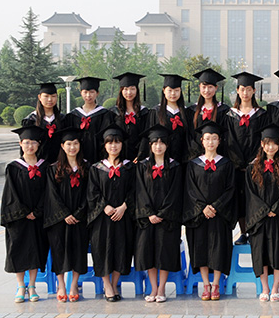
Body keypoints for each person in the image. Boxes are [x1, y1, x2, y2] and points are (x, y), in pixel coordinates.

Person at [246, 124, 279, 302]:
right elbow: (250, 194)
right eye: (267, 143)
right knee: (260, 252)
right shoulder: (252, 167)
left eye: (274, 143)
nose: (271, 147)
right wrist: (264, 210)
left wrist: (276, 209)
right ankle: (265, 288)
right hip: (260, 219)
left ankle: (276, 287)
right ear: (262, 144)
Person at [183, 121, 236, 301]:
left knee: (219, 249)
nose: (211, 142)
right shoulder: (193, 165)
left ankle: (216, 284)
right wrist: (202, 207)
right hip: (199, 215)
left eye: (214, 138)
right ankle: (206, 284)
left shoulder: (227, 164)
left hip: (220, 214)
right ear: (202, 141)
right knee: (201, 248)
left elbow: (230, 189)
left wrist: (216, 206)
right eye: (207, 138)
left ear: (219, 141)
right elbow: (190, 190)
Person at [134, 124, 184, 303]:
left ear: (167, 145)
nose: (158, 146)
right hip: (147, 218)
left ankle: (162, 288)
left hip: (167, 218)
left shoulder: (175, 166)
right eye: (155, 142)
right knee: (149, 252)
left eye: (162, 142)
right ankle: (153, 288)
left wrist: (163, 213)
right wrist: (149, 213)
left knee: (165, 252)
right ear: (150, 145)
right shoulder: (142, 166)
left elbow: (176, 192)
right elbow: (139, 190)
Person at [86, 124, 135, 302]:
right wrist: (104, 206)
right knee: (102, 250)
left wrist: (124, 206)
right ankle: (107, 285)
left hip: (123, 216)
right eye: (110, 142)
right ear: (104, 145)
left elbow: (135, 190)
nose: (113, 146)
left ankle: (114, 284)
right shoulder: (96, 168)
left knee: (121, 250)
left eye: (117, 142)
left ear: (122, 144)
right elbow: (92, 192)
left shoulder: (129, 167)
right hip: (102, 218)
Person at [1, 125, 49, 303]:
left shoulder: (45, 167)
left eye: (33, 142)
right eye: (27, 142)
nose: (30, 146)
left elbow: (48, 192)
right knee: (19, 250)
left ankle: (32, 286)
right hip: (19, 218)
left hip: (38, 217)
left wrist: (37, 211)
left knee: (36, 250)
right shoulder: (13, 168)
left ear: (38, 144)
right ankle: (21, 286)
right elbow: (10, 194)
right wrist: (23, 212)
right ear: (21, 144)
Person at [44, 127, 89, 303]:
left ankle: (74, 285)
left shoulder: (87, 167)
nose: (72, 147)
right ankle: (61, 285)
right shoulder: (53, 169)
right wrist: (64, 214)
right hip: (59, 219)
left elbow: (89, 193)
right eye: (69, 144)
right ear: (62, 146)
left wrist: (78, 213)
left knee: (79, 250)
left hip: (80, 218)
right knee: (59, 250)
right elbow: (51, 194)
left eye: (75, 143)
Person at [226, 71, 269, 245]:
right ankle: (244, 232)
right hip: (237, 167)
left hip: (256, 165)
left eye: (249, 89)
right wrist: (239, 162)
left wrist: (254, 161)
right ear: (237, 90)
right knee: (240, 200)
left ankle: (256, 231)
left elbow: (263, 140)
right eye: (242, 89)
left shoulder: (261, 114)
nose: (245, 92)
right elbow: (229, 140)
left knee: (256, 198)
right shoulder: (230, 115)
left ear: (254, 91)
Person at [66, 77, 112, 163]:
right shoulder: (73, 115)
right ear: (81, 93)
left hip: (98, 154)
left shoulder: (104, 114)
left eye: (92, 92)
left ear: (97, 93)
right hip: (77, 155)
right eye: (85, 92)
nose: (88, 95)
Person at [149, 74, 192, 163]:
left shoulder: (186, 112)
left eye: (176, 90)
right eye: (170, 90)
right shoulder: (156, 112)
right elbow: (150, 136)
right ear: (164, 91)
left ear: (180, 91)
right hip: (161, 158)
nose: (173, 94)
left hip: (183, 158)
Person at [187, 68, 230, 155]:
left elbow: (226, 135)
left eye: (210, 87)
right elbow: (189, 135)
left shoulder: (224, 110)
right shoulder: (192, 110)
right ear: (199, 87)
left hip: (218, 154)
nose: (207, 91)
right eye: (204, 87)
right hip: (196, 155)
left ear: (216, 88)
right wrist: (198, 153)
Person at [21, 82, 66, 163]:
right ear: (39, 97)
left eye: (53, 96)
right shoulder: (31, 120)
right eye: (46, 96)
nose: (50, 99)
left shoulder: (63, 119)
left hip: (59, 163)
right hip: (38, 163)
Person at [110, 72, 149, 162]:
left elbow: (146, 136)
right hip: (118, 157)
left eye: (132, 89)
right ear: (121, 91)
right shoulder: (113, 113)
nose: (129, 92)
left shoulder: (144, 113)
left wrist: (140, 155)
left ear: (137, 90)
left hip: (138, 158)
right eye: (125, 89)